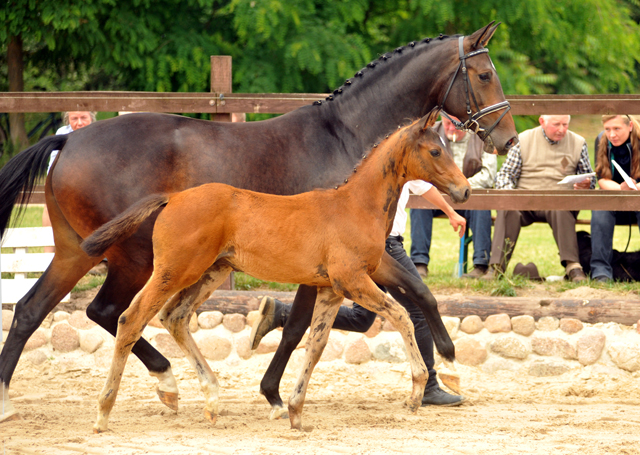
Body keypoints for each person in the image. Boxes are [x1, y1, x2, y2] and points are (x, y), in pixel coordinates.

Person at [250, 180, 468, 407]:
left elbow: (423, 187)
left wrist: (450, 211)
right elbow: (424, 186)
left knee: (362, 318)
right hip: (385, 245)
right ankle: (429, 387)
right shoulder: (397, 151)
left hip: (369, 241)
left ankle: (282, 314)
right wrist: (450, 211)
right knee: (417, 307)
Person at [480, 115, 595, 283]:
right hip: (524, 200)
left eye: (565, 124)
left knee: (562, 208)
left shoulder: (578, 142)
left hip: (558, 201)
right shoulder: (523, 139)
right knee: (507, 208)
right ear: (542, 121)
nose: (562, 129)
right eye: (556, 124)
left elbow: (588, 179)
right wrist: (510, 196)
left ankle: (573, 266)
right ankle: (496, 267)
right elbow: (505, 175)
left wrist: (586, 184)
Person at [410, 115, 496, 279]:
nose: (450, 128)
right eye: (447, 124)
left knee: (482, 205)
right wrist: (443, 190)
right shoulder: (429, 133)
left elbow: (488, 175)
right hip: (437, 194)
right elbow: (420, 169)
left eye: (456, 125)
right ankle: (419, 263)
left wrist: (461, 187)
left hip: (470, 195)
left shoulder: (481, 136)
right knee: (420, 203)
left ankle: (480, 265)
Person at [590, 115, 640, 282]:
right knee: (600, 207)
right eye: (607, 129)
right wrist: (620, 188)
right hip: (614, 196)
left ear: (630, 126)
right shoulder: (601, 140)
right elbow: (602, 179)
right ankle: (600, 271)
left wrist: (636, 188)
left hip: (638, 197)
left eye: (617, 129)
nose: (612, 134)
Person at [42, 112, 97, 258]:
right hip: (68, 181)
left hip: (93, 183)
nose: (79, 123)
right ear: (68, 120)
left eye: (83, 118)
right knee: (48, 206)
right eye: (74, 119)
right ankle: (47, 255)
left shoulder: (100, 132)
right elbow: (52, 164)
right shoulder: (62, 133)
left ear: (91, 118)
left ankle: (96, 257)